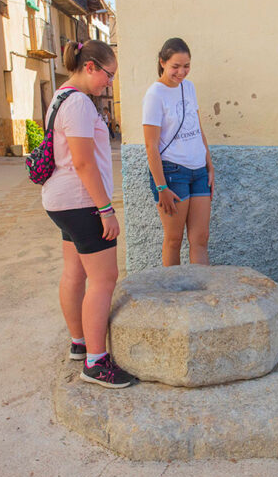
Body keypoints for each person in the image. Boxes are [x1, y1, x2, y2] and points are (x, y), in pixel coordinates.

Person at [42, 40, 135, 389]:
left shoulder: (61, 96)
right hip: (82, 202)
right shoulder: (79, 103)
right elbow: (83, 162)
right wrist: (106, 209)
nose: (110, 83)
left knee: (75, 272)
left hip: (61, 200)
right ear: (90, 66)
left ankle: (79, 343)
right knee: (104, 279)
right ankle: (96, 362)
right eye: (108, 75)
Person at [143, 37, 214, 266]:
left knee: (200, 238)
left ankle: (200, 286)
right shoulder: (155, 94)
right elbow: (151, 145)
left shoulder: (189, 87)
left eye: (186, 66)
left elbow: (197, 128)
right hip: (173, 173)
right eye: (175, 66)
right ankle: (172, 288)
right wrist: (161, 187)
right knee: (174, 239)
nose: (181, 72)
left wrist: (210, 166)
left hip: (199, 171)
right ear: (162, 62)